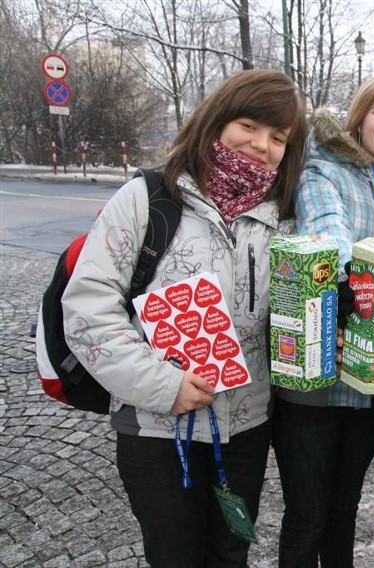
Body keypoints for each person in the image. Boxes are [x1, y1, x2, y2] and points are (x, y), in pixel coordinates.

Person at [61, 69, 308, 568]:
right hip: (155, 428)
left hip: (245, 428)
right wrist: (162, 385)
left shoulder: (284, 218)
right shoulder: (148, 199)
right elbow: (88, 309)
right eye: (249, 126)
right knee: (174, 557)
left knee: (230, 554)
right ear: (217, 121)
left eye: (278, 137)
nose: (262, 145)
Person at [271, 73, 374, 568]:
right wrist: (371, 287)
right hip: (316, 378)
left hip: (367, 382)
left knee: (344, 510)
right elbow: (327, 235)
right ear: (359, 118)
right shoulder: (324, 170)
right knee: (307, 515)